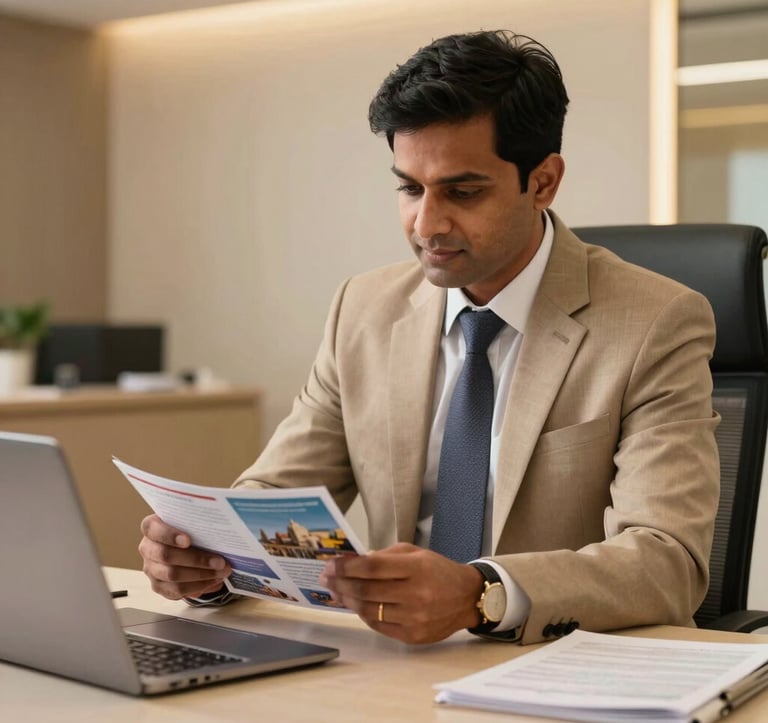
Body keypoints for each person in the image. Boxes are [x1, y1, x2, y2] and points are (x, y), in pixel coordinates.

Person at [139, 29, 720, 646]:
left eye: (462, 192)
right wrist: (210, 558)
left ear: (543, 182)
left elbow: (667, 561)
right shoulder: (361, 309)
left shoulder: (656, 322)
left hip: (554, 662)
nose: (427, 224)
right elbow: (277, 496)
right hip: (389, 661)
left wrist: (481, 594)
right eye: (410, 188)